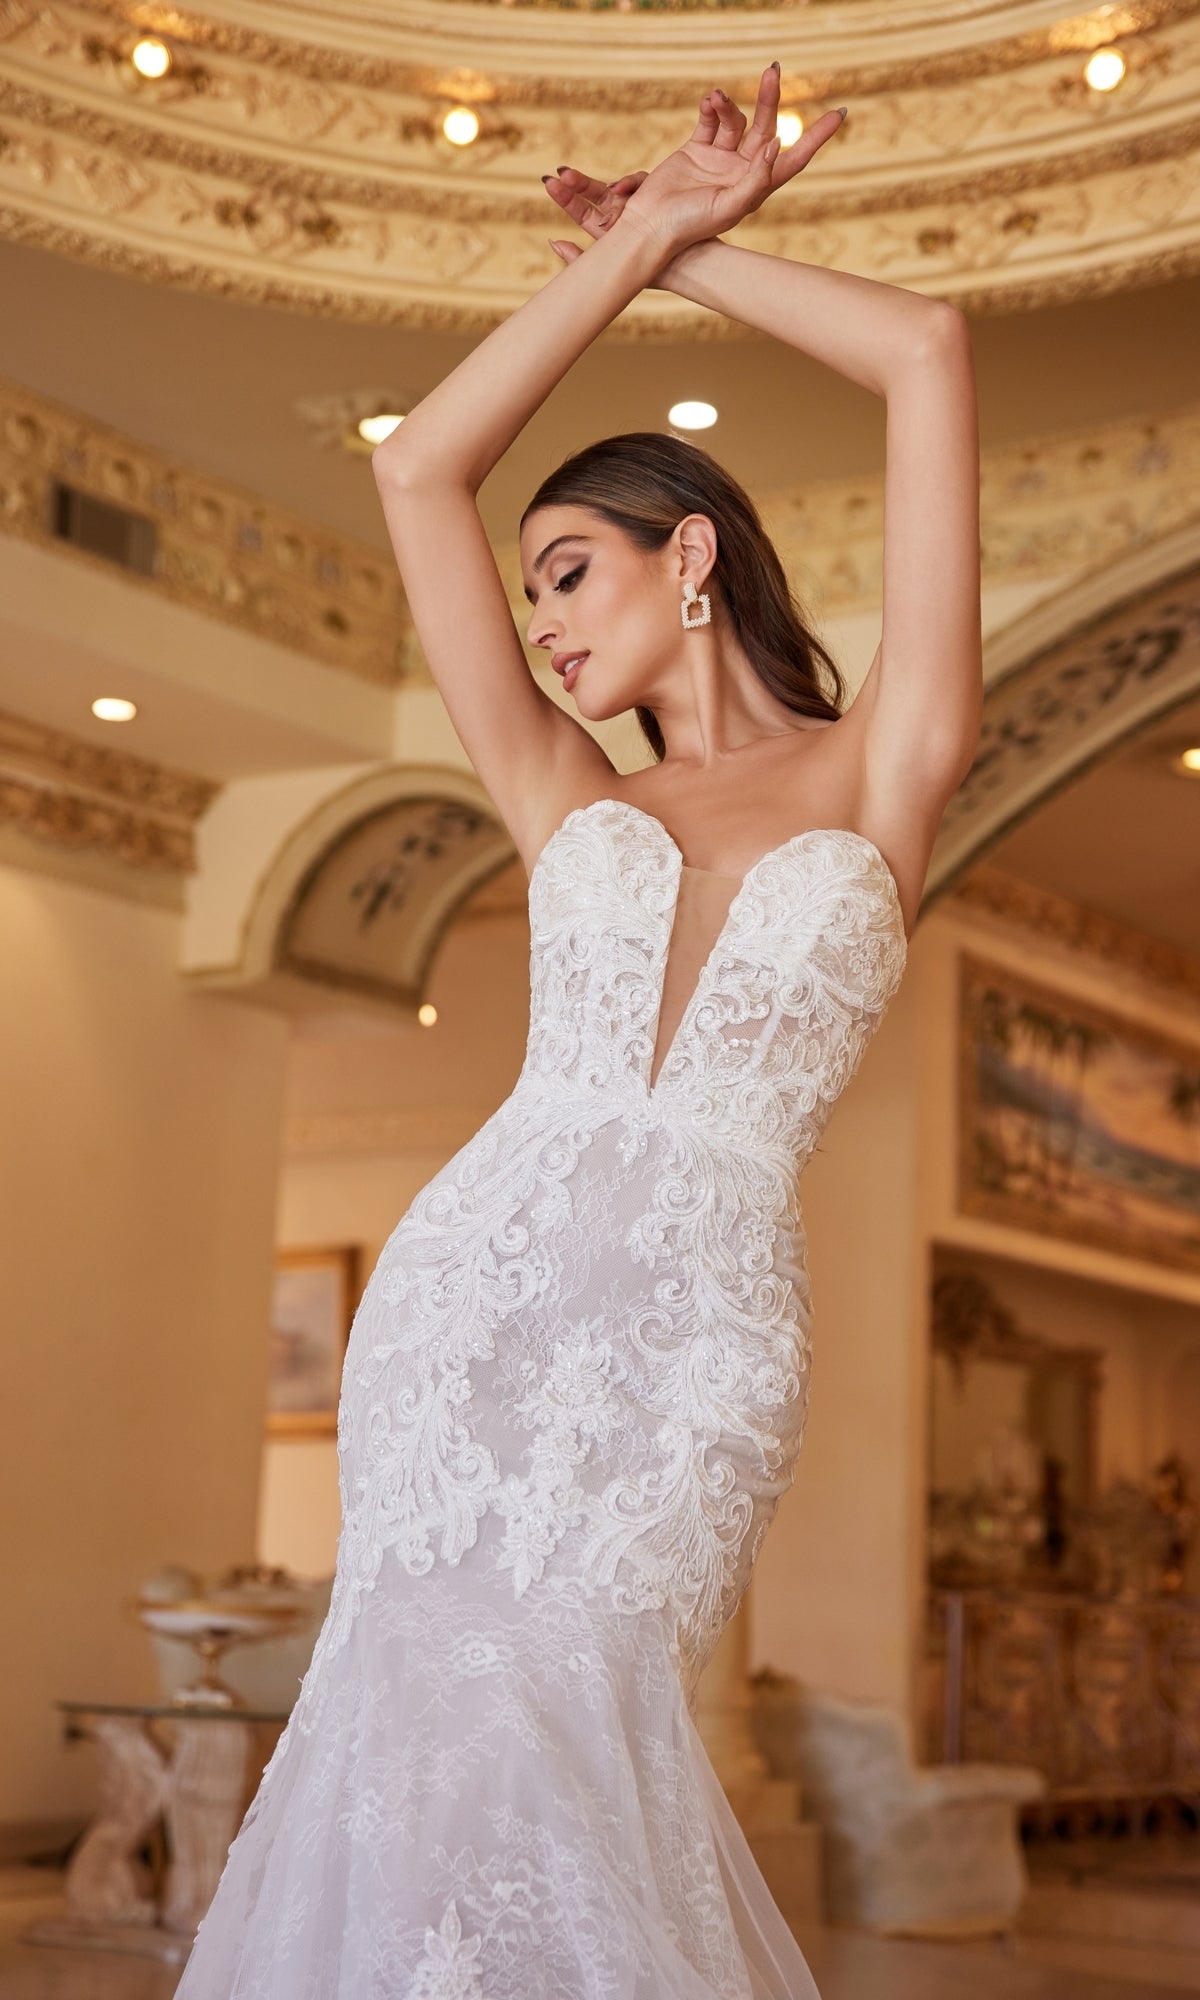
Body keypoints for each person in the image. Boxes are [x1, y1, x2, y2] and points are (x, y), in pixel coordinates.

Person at [176, 65, 981, 2000]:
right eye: (528, 596)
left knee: (572, 1726)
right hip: (473, 1296)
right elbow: (411, 472)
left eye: (572, 574)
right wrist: (624, 245)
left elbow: (934, 352)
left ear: (687, 555)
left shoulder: (886, 771)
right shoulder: (566, 795)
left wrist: (711, 255)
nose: (538, 630)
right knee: (423, 1734)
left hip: (694, 1329)